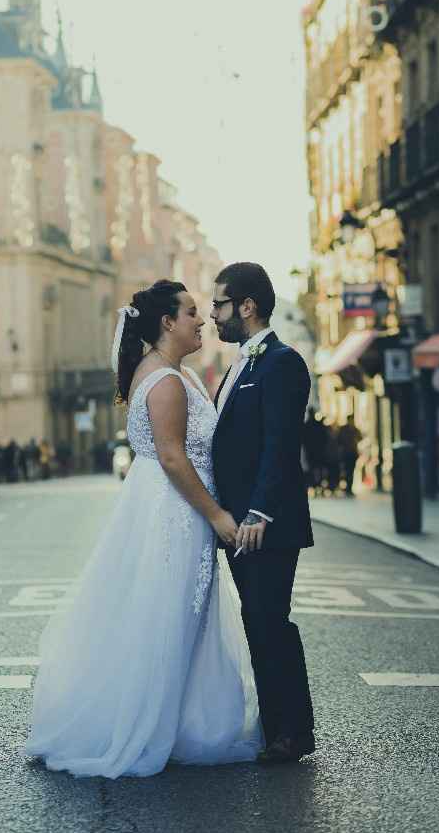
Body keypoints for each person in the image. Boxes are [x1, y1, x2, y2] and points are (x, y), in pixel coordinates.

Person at [23, 280, 261, 777]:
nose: (201, 320)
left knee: (165, 614)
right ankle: (149, 725)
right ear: (167, 323)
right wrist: (217, 515)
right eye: (192, 312)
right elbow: (173, 457)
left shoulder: (164, 372)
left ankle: (169, 720)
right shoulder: (169, 381)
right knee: (169, 616)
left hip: (163, 505)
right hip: (175, 511)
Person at [211, 262, 315, 764]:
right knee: (259, 622)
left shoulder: (282, 362)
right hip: (240, 527)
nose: (213, 314)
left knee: (271, 621)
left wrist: (257, 514)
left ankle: (293, 732)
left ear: (246, 306)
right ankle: (278, 728)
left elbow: (279, 445)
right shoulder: (239, 366)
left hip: (264, 526)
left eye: (219, 304)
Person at [302, 408, 329, 494]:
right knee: (317, 468)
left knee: (314, 468)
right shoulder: (317, 425)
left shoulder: (308, 425)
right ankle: (317, 485)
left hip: (312, 451)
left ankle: (315, 485)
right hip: (317, 450)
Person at [337, 416, 362, 496]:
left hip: (352, 453)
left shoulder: (354, 429)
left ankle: (349, 488)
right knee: (347, 471)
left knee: (351, 471)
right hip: (346, 453)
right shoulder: (344, 429)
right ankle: (347, 487)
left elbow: (360, 438)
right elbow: (339, 440)